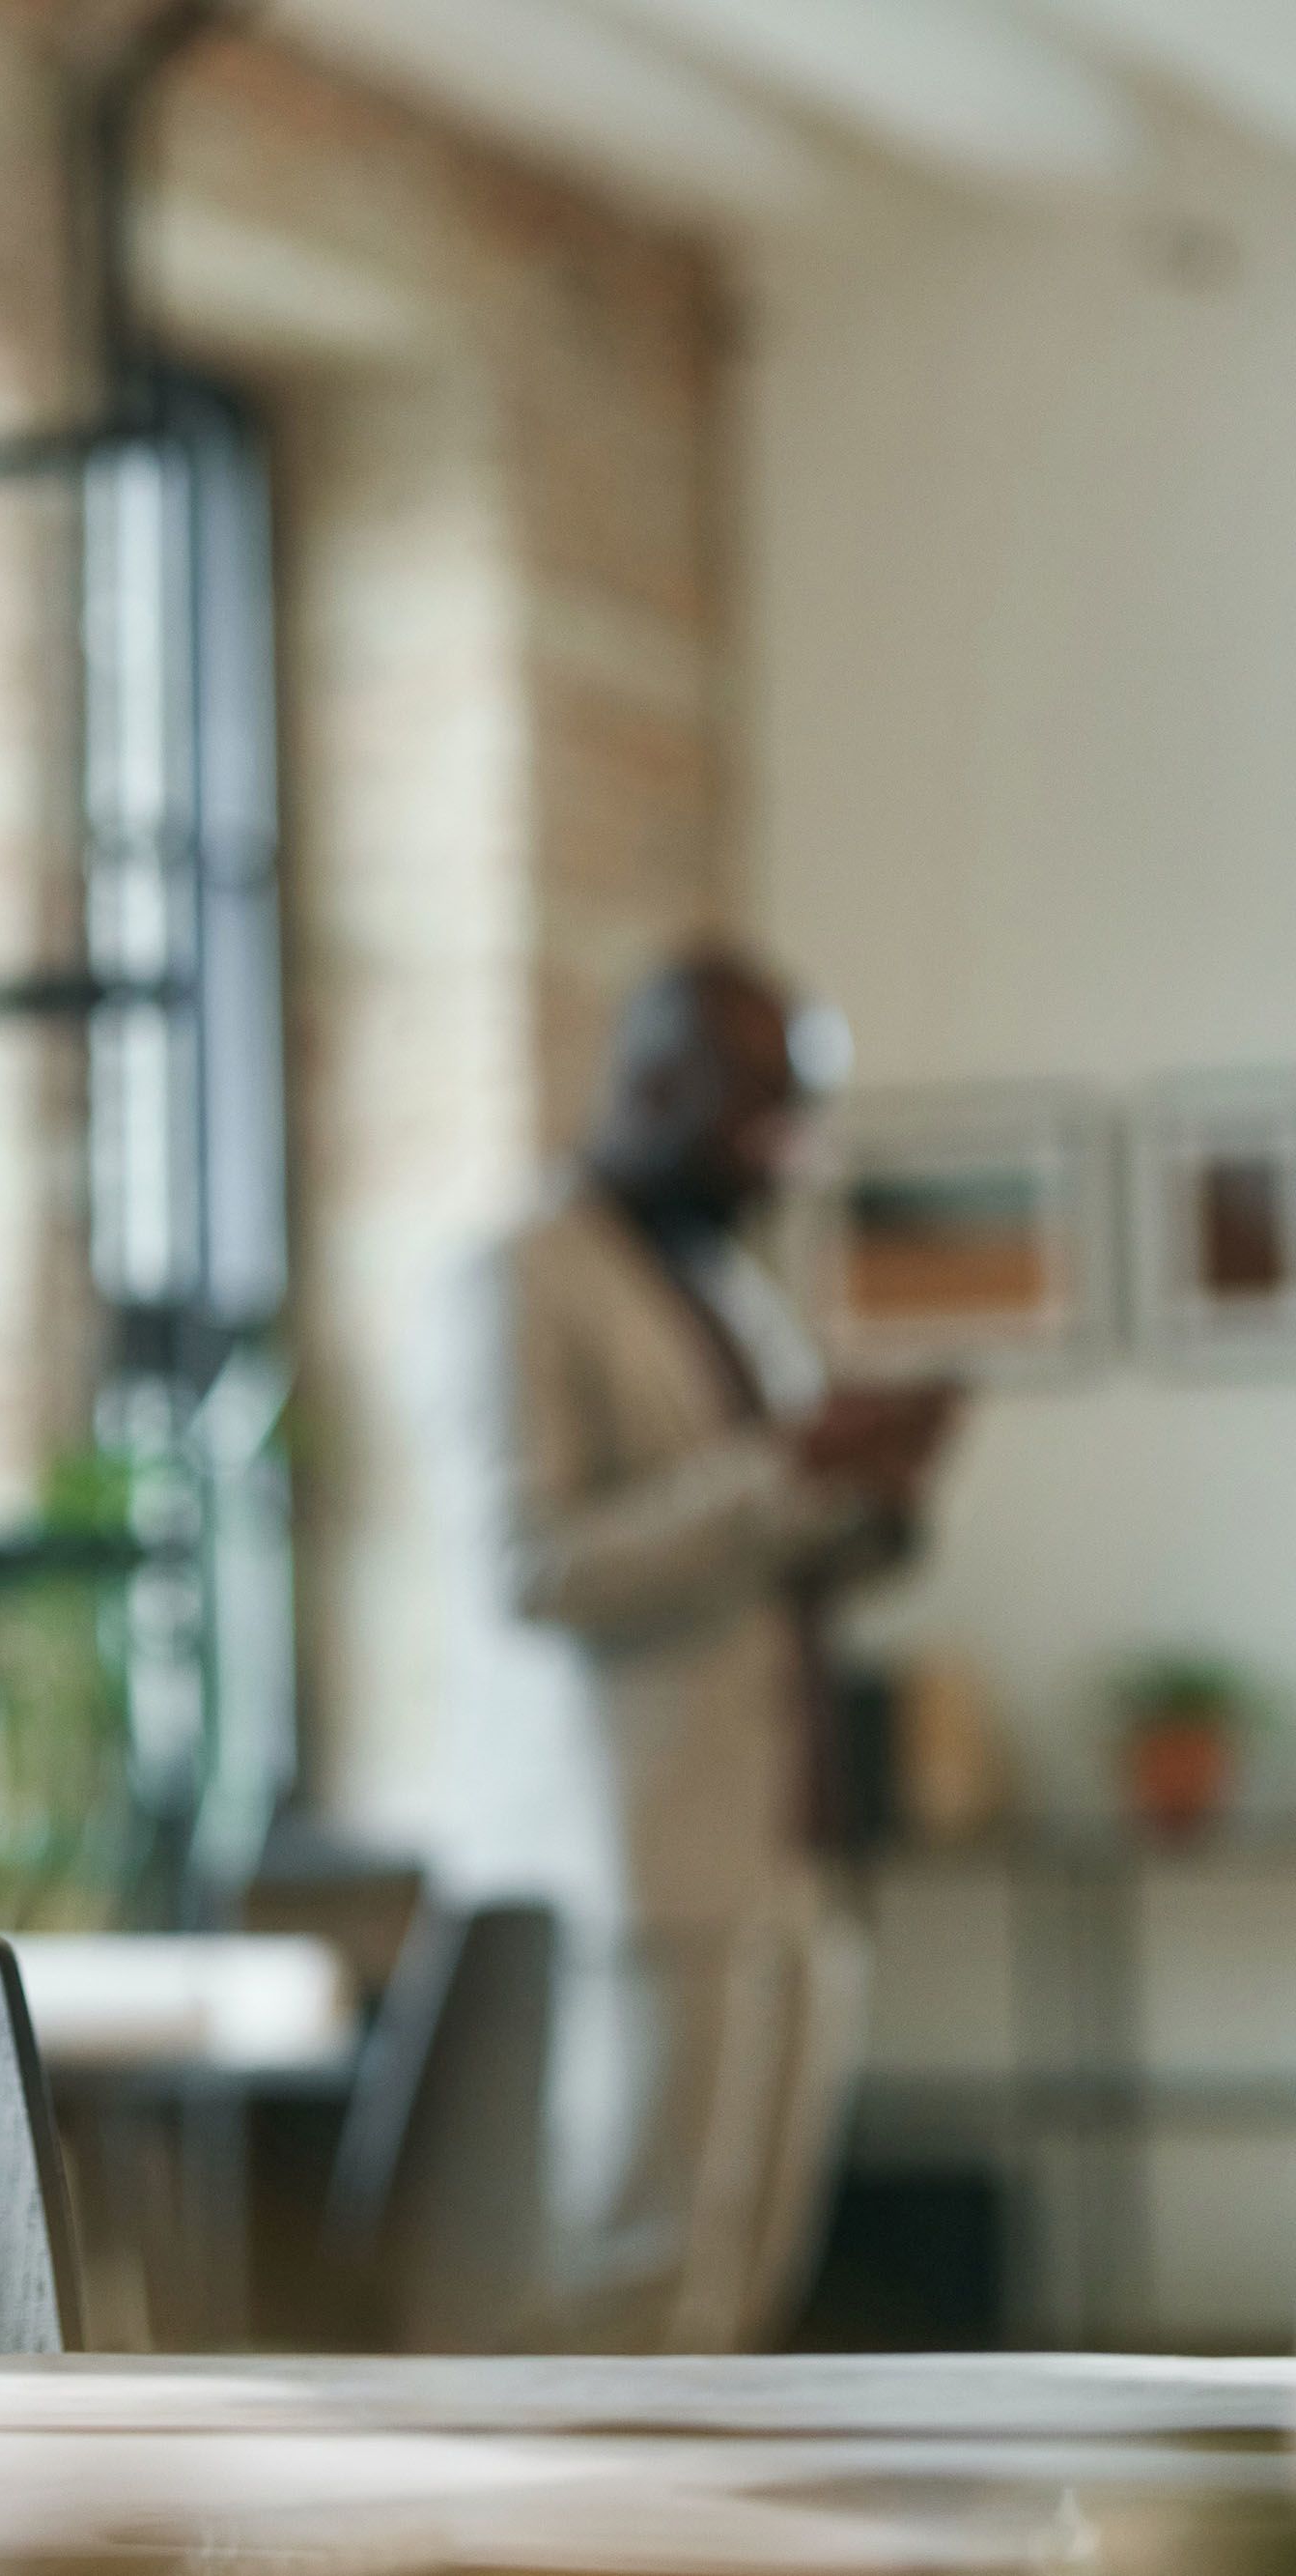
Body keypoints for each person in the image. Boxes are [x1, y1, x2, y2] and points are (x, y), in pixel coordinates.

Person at [425, 948, 959, 2352]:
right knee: (633, 2287)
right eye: (764, 1110)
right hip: (645, 1861)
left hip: (794, 1847)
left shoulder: (729, 1287)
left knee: (748, 2291)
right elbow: (527, 1572)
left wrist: (871, 1505)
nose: (787, 1152)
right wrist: (781, 1471)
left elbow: (772, 1534)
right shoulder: (521, 1278)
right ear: (659, 1082)